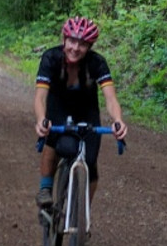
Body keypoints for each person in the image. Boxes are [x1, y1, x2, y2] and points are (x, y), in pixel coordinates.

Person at [34, 16, 128, 208]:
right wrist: (41, 119)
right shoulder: (50, 58)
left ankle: (82, 215)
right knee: (52, 139)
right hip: (58, 106)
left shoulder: (97, 63)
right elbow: (40, 97)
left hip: (86, 110)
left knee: (91, 163)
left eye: (83, 44)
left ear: (90, 46)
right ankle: (45, 188)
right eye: (72, 41)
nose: (75, 48)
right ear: (64, 40)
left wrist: (118, 120)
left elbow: (110, 98)